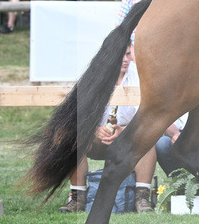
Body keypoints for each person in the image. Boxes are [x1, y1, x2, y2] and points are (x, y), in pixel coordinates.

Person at [60, 45, 160, 212]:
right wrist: (94, 130)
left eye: (128, 54)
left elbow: (146, 118)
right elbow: (78, 116)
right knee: (72, 140)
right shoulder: (94, 76)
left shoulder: (140, 74)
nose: (125, 59)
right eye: (120, 54)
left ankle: (142, 198)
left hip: (127, 137)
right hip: (96, 138)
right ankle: (78, 198)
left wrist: (124, 130)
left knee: (147, 140)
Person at [118, 0, 179, 210]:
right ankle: (141, 191)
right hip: (138, 64)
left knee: (166, 117)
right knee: (135, 119)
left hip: (174, 64)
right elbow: (121, 32)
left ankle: (171, 184)